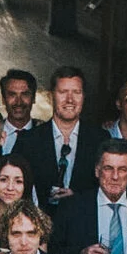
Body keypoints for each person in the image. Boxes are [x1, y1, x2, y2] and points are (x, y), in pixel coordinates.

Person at [53, 142, 127, 254]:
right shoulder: (71, 207)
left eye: (122, 169)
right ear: (97, 170)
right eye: (108, 168)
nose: (115, 176)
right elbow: (53, 252)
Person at [15, 66, 95, 208]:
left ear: (83, 97)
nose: (70, 99)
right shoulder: (28, 141)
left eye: (76, 92)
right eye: (63, 92)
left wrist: (77, 197)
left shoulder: (99, 139)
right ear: (51, 96)